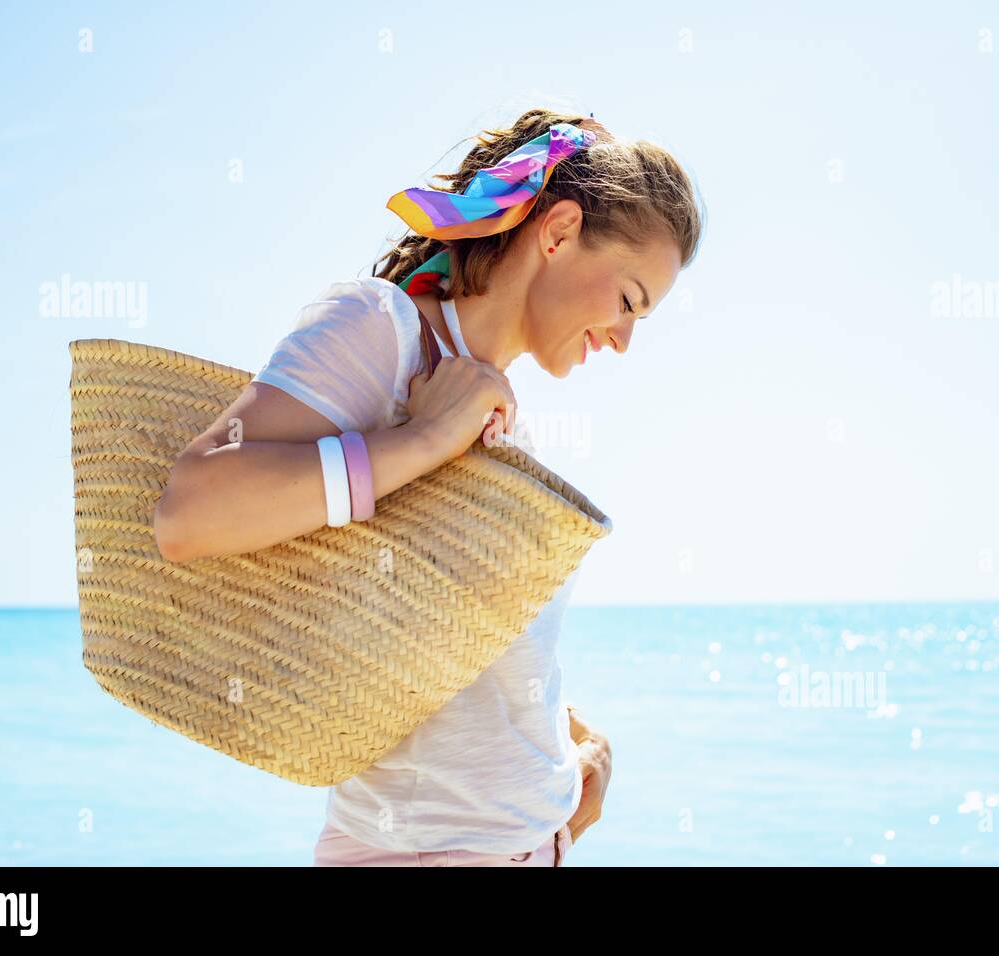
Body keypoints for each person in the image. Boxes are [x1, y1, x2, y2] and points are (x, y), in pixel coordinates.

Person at [152, 107, 704, 866]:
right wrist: (419, 441)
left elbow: (439, 663)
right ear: (558, 232)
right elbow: (191, 509)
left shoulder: (504, 416)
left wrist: (573, 777)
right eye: (630, 301)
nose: (623, 338)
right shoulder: (385, 331)